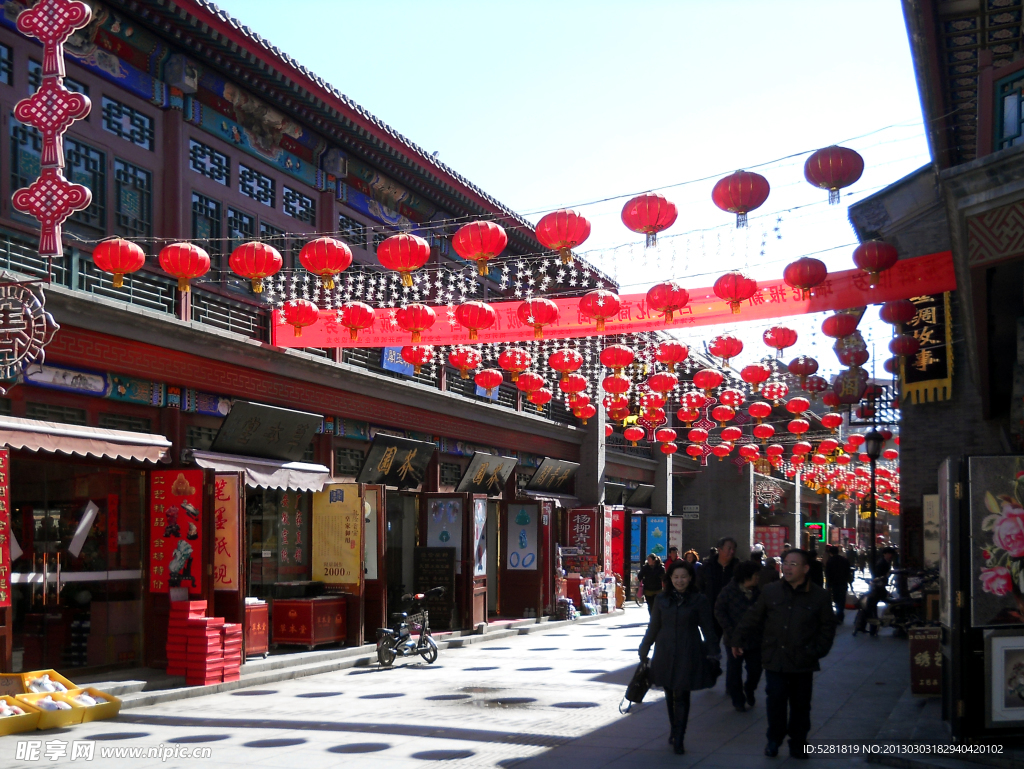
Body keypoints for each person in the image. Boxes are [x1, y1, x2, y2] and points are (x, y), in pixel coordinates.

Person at [733, 549, 837, 760]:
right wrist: (737, 639)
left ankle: (798, 743)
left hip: (803, 661)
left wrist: (816, 651)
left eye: (793, 564)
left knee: (800, 705)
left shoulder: (819, 596)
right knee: (776, 702)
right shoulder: (771, 591)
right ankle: (774, 739)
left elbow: (827, 628)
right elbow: (753, 617)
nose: (787, 567)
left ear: (806, 568)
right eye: (785, 563)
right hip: (775, 659)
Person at [638, 559, 720, 755]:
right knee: (669, 691)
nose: (680, 580)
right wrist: (645, 646)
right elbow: (654, 626)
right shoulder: (661, 599)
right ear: (669, 579)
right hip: (665, 650)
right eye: (676, 577)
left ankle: (679, 736)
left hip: (688, 649)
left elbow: (708, 627)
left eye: (683, 577)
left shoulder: (699, 600)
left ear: (690, 578)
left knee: (682, 692)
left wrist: (713, 651)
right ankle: (674, 729)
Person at [715, 560, 763, 712]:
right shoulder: (729, 591)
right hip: (733, 638)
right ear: (746, 577)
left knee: (755, 669)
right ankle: (738, 699)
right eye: (756, 575)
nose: (758, 578)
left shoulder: (758, 593)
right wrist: (729, 629)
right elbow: (719, 611)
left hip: (754, 639)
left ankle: (749, 688)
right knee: (734, 670)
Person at [698, 537, 738, 639]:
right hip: (710, 614)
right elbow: (699, 588)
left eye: (734, 549)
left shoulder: (739, 568)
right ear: (719, 549)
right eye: (729, 548)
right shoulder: (707, 567)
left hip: (732, 615)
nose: (732, 551)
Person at [823, 545, 852, 622]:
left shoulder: (830, 561)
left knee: (836, 599)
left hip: (834, 583)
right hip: (843, 582)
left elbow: (828, 574)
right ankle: (840, 615)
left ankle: (838, 615)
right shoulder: (844, 560)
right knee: (842, 599)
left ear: (830, 553)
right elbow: (848, 572)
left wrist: (828, 585)